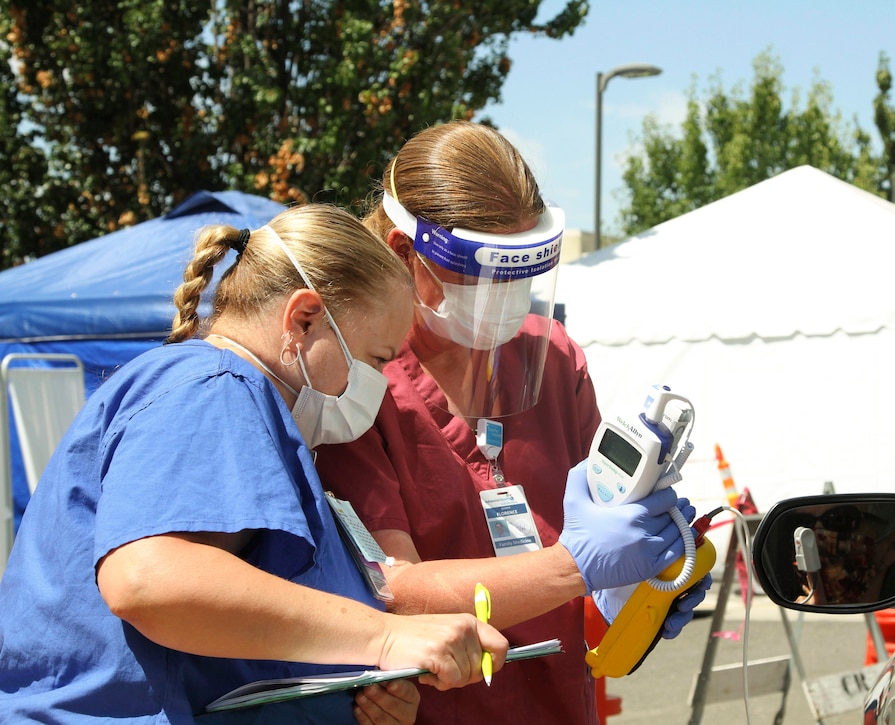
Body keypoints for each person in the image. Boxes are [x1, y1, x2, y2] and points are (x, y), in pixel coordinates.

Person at [0, 203, 509, 724]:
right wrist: (385, 637)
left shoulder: (246, 406)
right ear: (303, 318)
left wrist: (357, 688)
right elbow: (149, 580)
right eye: (376, 359)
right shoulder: (214, 387)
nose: (377, 387)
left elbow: (244, 627)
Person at [316, 121, 710, 724]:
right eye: (486, 275)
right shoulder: (359, 383)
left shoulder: (552, 359)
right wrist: (572, 567)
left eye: (521, 274)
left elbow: (596, 566)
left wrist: (645, 588)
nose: (507, 298)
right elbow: (394, 590)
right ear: (403, 253)